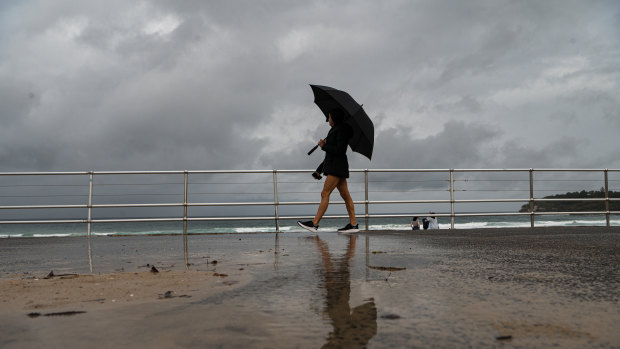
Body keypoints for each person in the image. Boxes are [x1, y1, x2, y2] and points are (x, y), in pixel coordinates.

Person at [298, 108, 359, 234]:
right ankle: (353, 225)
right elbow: (330, 155)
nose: (328, 119)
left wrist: (324, 146)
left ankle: (314, 223)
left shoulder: (341, 130)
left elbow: (340, 151)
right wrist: (319, 170)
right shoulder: (335, 129)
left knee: (325, 193)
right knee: (346, 196)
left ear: (335, 117)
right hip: (336, 166)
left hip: (336, 167)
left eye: (329, 117)